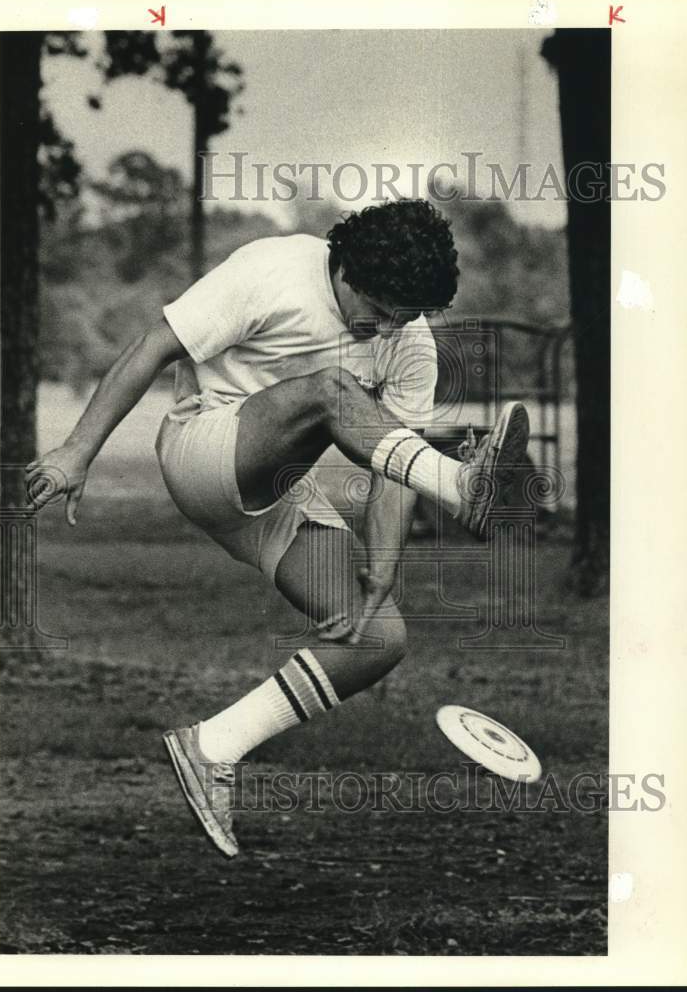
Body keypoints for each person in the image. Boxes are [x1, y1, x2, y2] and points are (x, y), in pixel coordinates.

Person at [26, 199, 529, 859]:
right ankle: (464, 487)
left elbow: (392, 472)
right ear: (344, 267)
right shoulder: (274, 268)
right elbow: (153, 345)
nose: (389, 330)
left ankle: (212, 748)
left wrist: (381, 572)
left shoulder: (409, 344)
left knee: (376, 638)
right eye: (380, 310)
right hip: (205, 449)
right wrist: (75, 452)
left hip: (276, 495)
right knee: (332, 388)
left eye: (406, 317)